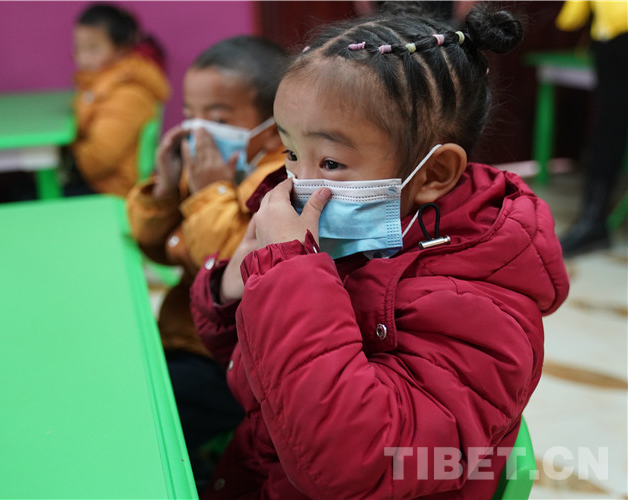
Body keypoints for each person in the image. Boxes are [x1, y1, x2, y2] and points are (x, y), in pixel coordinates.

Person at [190, 5, 570, 499]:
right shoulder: (353, 238)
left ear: (433, 175)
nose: (297, 183)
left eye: (330, 162)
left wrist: (287, 276)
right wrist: (232, 286)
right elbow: (258, 372)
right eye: (290, 153)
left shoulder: (483, 308)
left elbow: (352, 464)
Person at [125, 36, 288, 491]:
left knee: (140, 420)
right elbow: (160, 249)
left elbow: (225, 267)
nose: (198, 131)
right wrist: (163, 191)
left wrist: (208, 194)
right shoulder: (212, 171)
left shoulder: (275, 182)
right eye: (190, 115)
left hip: (228, 362)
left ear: (272, 129)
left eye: (217, 119)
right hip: (184, 337)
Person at [70, 3, 170, 198]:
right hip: (100, 180)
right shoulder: (100, 81)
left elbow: (100, 158)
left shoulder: (128, 93)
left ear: (122, 48)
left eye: (93, 48)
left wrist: (69, 157)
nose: (82, 58)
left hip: (114, 189)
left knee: (23, 194)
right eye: (78, 48)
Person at [555, 1, 628, 257]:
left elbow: (569, 19)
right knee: (608, 131)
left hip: (612, 38)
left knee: (608, 131)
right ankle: (593, 220)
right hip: (612, 42)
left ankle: (593, 220)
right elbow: (569, 19)